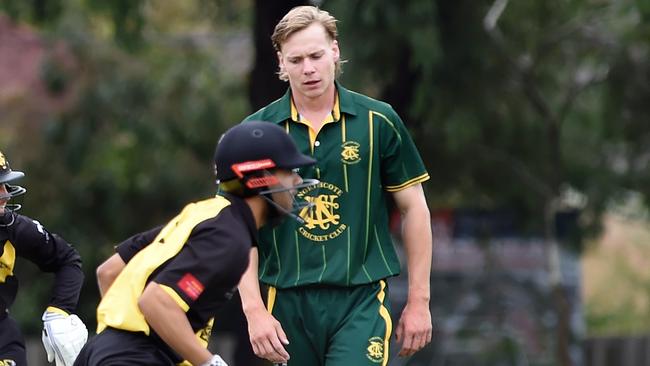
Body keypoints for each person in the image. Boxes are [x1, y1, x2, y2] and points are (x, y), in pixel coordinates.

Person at [238, 6, 433, 366]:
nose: (308, 68)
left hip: (361, 299)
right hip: (286, 302)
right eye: (296, 60)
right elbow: (238, 228)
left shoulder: (379, 121)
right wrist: (253, 310)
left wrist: (419, 301)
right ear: (281, 62)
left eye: (316, 55)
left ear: (335, 51)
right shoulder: (255, 133)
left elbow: (414, 208)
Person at [74, 122, 318, 366]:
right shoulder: (230, 238)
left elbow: (109, 271)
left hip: (100, 351)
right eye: (289, 171)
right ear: (260, 178)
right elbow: (156, 301)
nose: (297, 180)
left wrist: (118, 339)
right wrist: (208, 362)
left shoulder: (203, 214)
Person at [0, 150, 88, 366]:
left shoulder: (13, 228)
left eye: (4, 185)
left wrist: (59, 312)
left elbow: (67, 259)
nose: (5, 194)